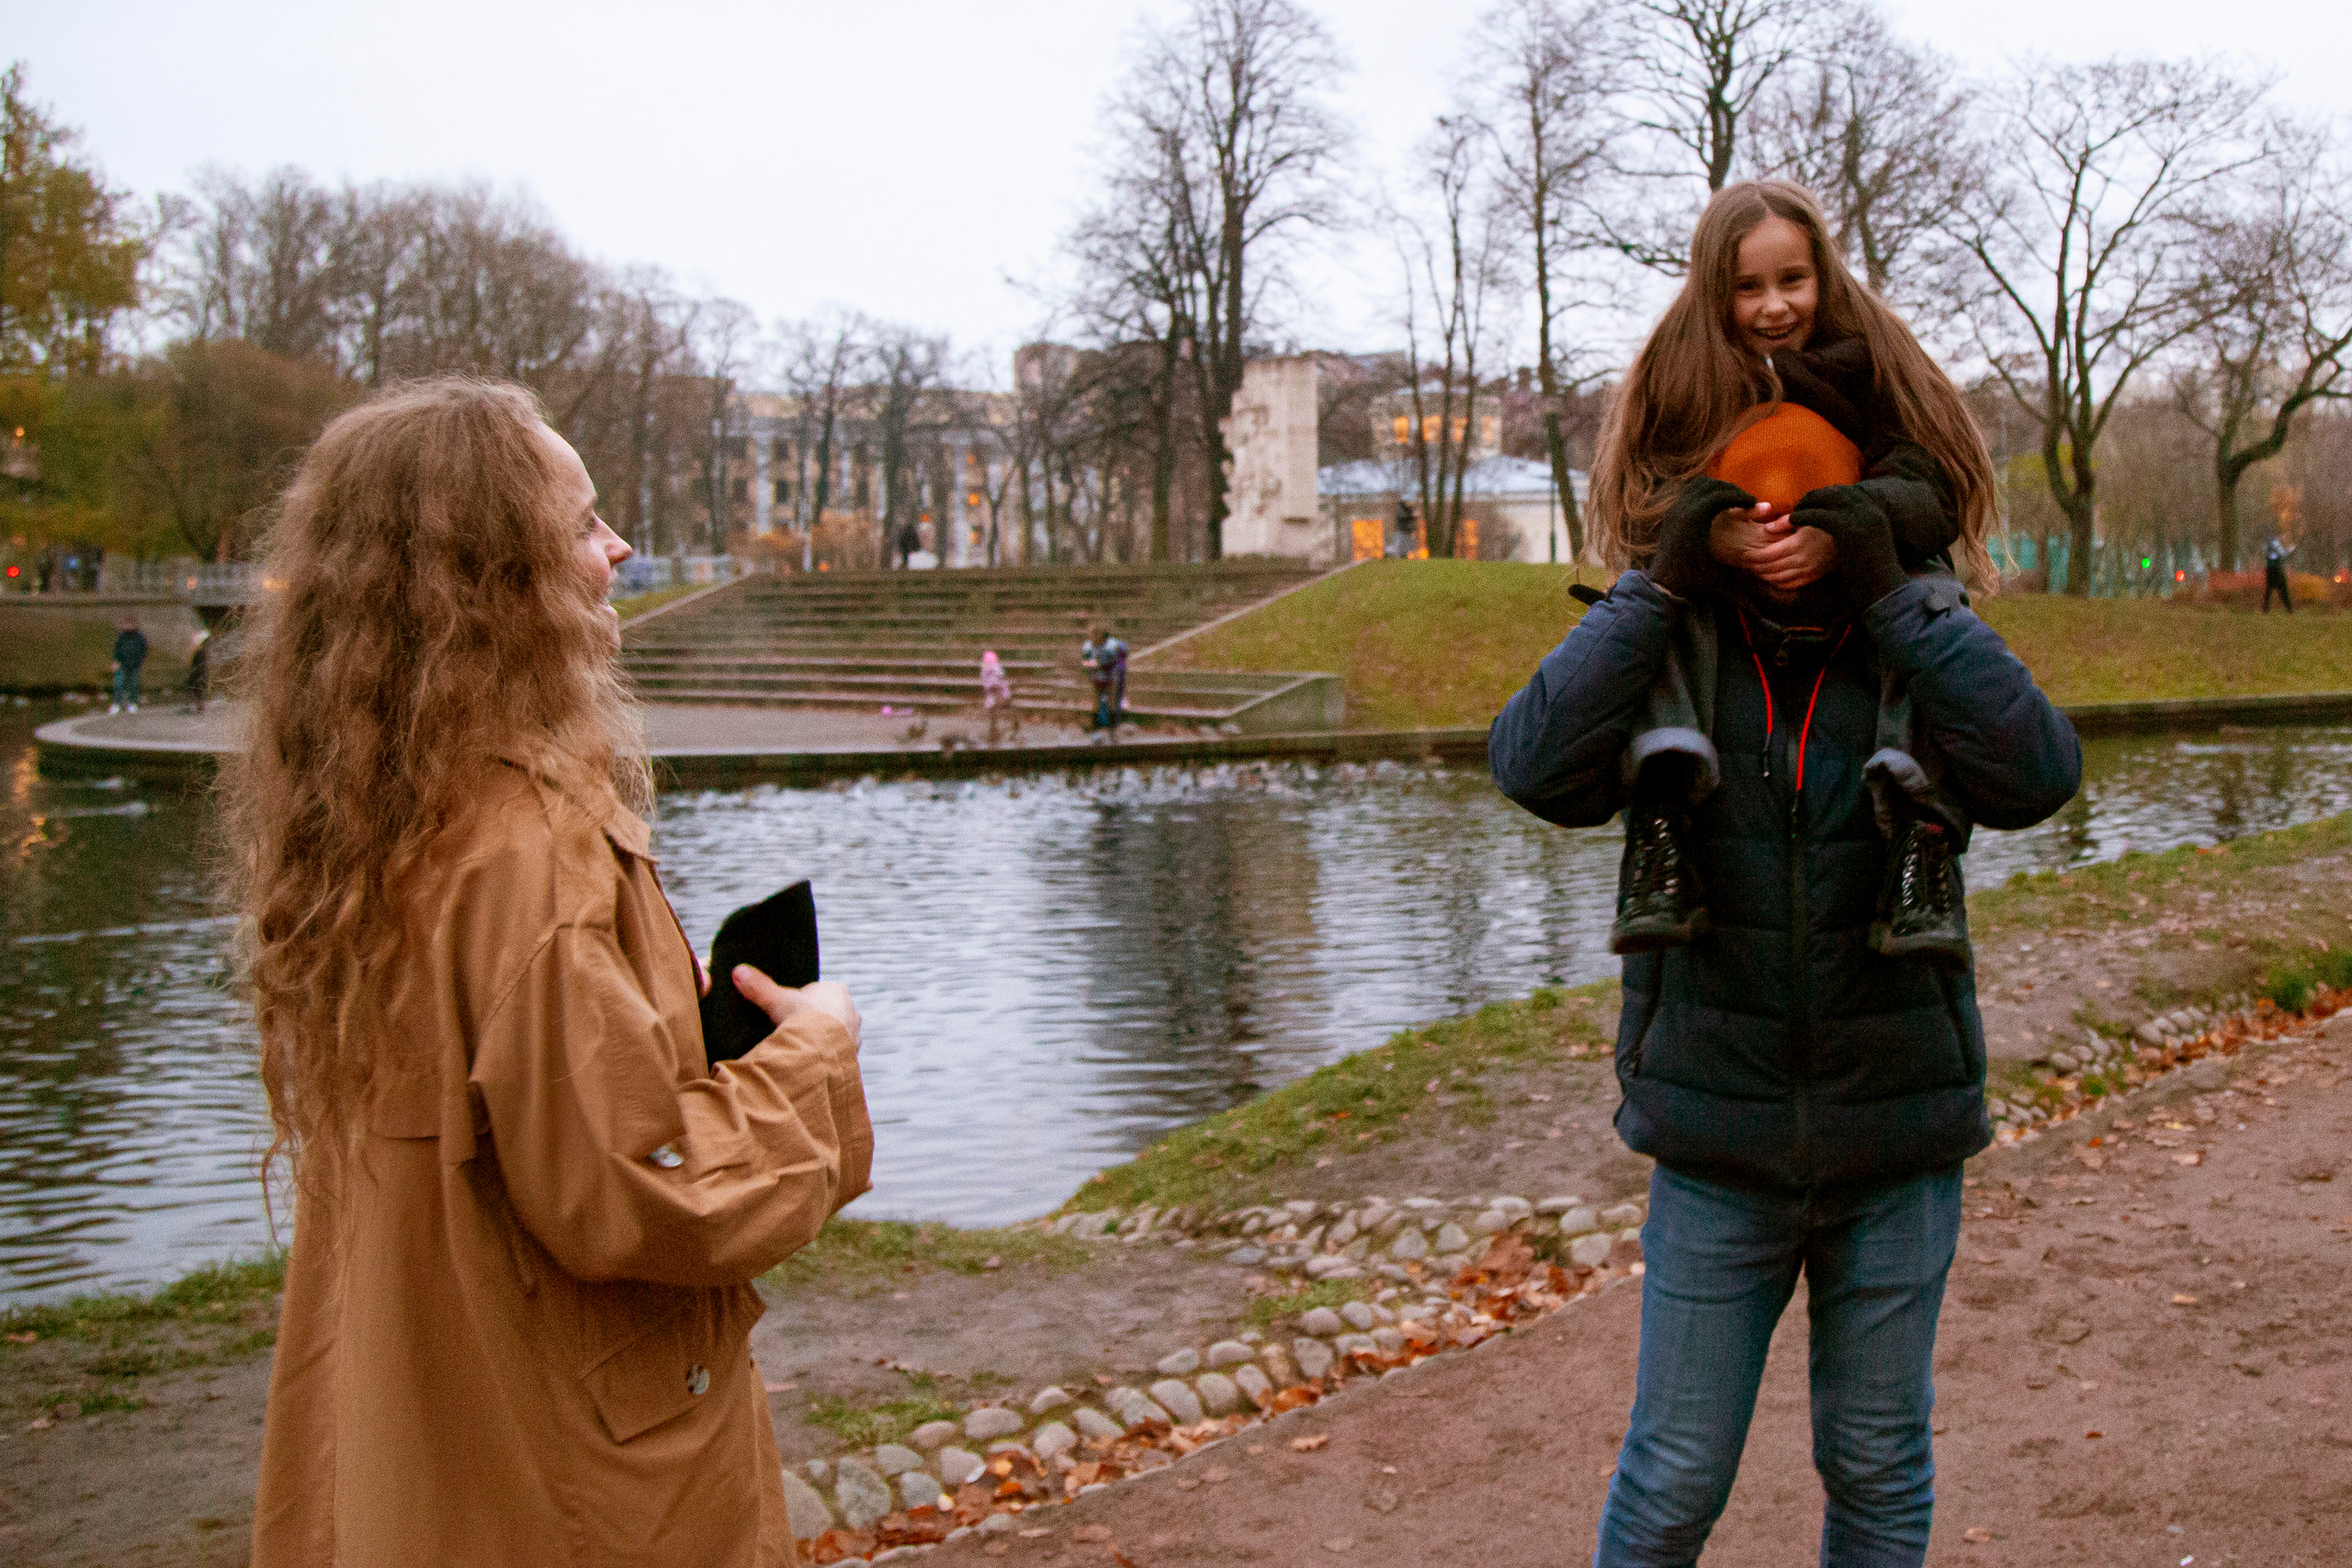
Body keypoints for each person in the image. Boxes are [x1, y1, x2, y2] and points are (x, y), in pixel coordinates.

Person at [1489, 180, 2081, 1568]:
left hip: (1897, 1134)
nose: (1780, 518)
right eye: (1749, 498)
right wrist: (1663, 580)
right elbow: (1530, 764)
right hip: (1719, 1141)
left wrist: (1891, 586)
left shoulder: (1910, 635)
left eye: (1809, 495)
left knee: (1877, 1464)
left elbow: (2038, 773)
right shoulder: (1677, 649)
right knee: (1673, 1478)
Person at [227, 378, 873, 1568]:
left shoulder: (371, 826)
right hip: (573, 1477)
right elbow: (639, 1186)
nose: (619, 544)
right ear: (490, 577)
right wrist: (814, 1051)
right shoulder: (533, 854)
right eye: (582, 524)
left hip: (429, 1434)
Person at [1080, 624, 1128, 733]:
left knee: (1111, 701)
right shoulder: (1089, 647)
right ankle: (1095, 724)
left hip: (1109, 677)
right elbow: (1085, 663)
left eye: (1096, 635)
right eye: (1092, 635)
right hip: (1096, 677)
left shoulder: (1110, 646)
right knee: (1096, 702)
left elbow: (1110, 662)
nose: (1094, 637)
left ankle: (1112, 726)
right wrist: (1093, 665)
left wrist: (1096, 664)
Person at [978, 647, 1020, 745]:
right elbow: (992, 681)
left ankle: (1010, 727)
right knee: (994, 712)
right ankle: (995, 730)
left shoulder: (992, 669)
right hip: (996, 694)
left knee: (996, 711)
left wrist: (998, 692)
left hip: (998, 693)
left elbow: (994, 682)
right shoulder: (992, 669)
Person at [109, 615, 148, 713]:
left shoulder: (140, 637)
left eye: (130, 624)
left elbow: (144, 649)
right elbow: (117, 649)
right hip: (122, 663)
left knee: (134, 685)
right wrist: (115, 661)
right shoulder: (121, 636)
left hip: (135, 664)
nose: (128, 626)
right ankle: (117, 704)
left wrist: (140, 660)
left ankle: (132, 703)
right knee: (118, 684)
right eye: (126, 624)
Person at [182, 626, 211, 713]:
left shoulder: (200, 652)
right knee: (196, 691)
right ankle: (197, 707)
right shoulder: (202, 651)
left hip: (198, 673)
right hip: (200, 673)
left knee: (195, 691)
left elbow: (197, 664)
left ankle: (196, 707)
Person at [2264, 534, 2295, 614]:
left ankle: (2265, 610)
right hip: (2277, 571)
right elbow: (2283, 555)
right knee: (2283, 590)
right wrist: (2291, 550)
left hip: (2269, 570)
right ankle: (2289, 610)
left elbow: (2268, 555)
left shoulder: (2267, 545)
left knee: (2269, 590)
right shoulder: (2276, 544)